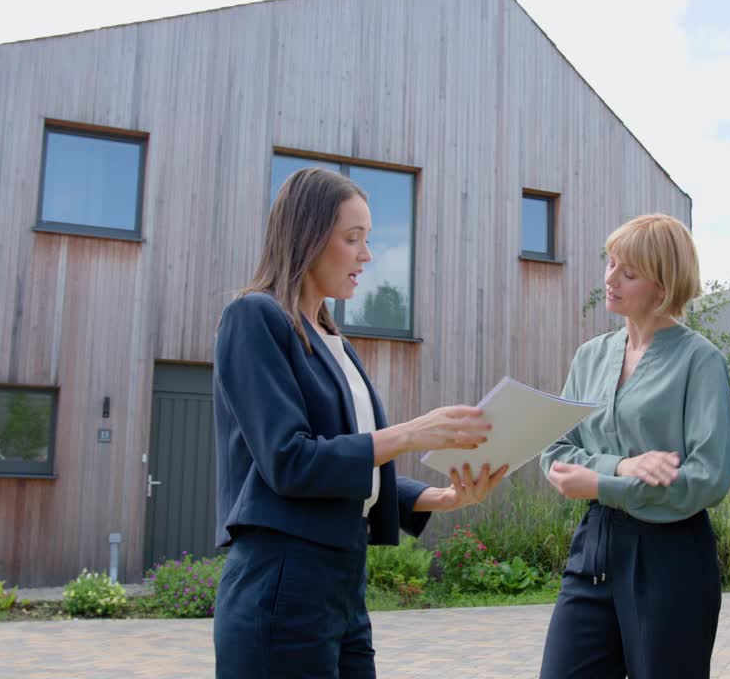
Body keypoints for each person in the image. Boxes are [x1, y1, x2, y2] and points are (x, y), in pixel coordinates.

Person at [212, 167, 509, 678]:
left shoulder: (334, 342)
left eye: (367, 240)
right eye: (353, 239)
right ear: (307, 238)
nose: (366, 256)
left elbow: (346, 465)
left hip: (343, 585)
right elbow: (290, 461)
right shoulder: (254, 317)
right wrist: (412, 433)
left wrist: (440, 497)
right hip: (282, 582)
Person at [538, 214, 730, 679]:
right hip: (594, 547)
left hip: (670, 557)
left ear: (664, 286)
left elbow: (708, 477)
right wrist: (622, 468)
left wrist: (601, 484)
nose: (610, 279)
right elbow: (556, 451)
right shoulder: (591, 355)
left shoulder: (700, 361)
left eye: (628, 272)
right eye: (610, 264)